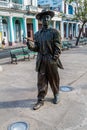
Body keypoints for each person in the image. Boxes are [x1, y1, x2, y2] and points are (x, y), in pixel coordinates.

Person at [26, 9, 64, 110]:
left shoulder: (55, 32)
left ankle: (56, 94)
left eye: (47, 17)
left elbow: (58, 48)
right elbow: (36, 48)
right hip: (41, 60)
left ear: (50, 19)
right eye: (44, 18)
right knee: (41, 81)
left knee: (54, 79)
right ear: (41, 20)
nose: (46, 19)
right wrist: (31, 46)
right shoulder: (37, 34)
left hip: (51, 60)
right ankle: (40, 100)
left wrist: (54, 58)